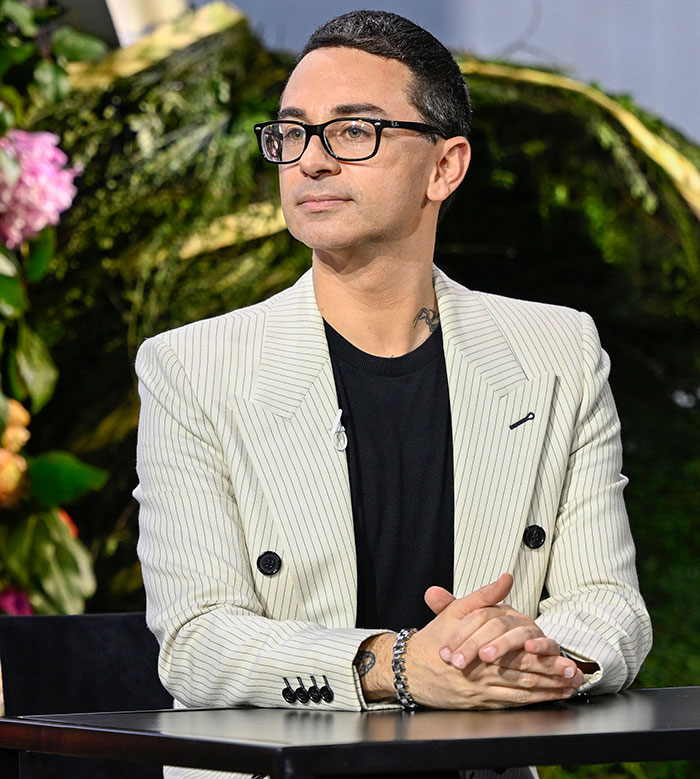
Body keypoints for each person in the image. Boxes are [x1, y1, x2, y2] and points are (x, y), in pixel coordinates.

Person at [134, 10, 652, 779]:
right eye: (292, 133)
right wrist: (400, 665)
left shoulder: (557, 352)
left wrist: (537, 650)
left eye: (352, 132)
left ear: (445, 166)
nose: (311, 161)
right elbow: (198, 642)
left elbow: (611, 603)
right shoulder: (194, 366)